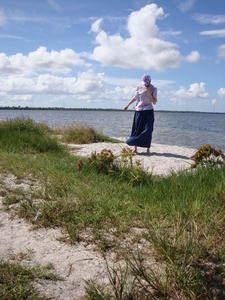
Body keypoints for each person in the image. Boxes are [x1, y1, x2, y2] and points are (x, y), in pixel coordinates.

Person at [124, 74, 157, 154]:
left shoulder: (154, 89)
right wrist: (128, 105)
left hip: (148, 111)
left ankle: (148, 149)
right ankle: (135, 148)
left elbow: (154, 102)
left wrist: (148, 91)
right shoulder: (139, 86)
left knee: (148, 129)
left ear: (150, 81)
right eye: (144, 82)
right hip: (139, 110)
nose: (145, 84)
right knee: (137, 129)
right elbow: (135, 98)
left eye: (147, 82)